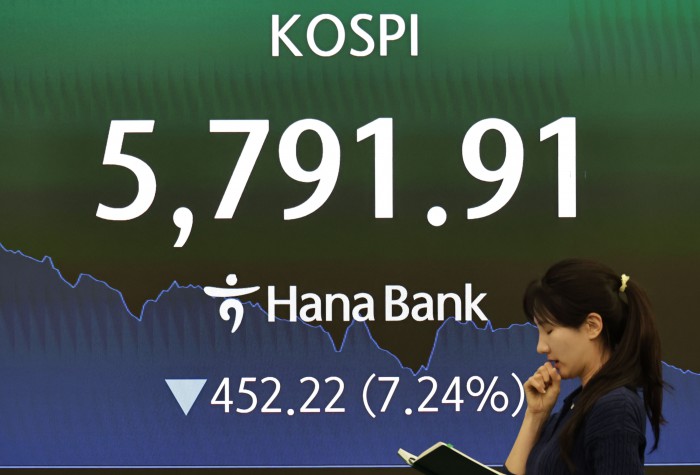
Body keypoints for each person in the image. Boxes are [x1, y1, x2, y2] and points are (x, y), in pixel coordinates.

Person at [503, 259, 665, 474]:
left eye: (549, 330)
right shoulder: (574, 408)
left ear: (592, 326)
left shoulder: (615, 408)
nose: (541, 347)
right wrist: (536, 415)